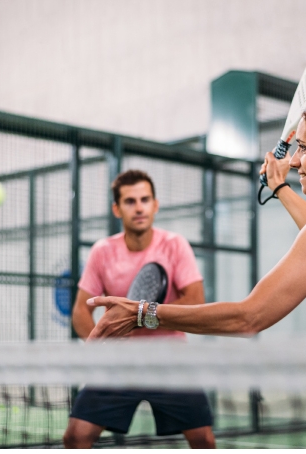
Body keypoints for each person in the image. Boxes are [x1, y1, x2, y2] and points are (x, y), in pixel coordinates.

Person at [86, 90, 306, 449]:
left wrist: (142, 313)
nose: (296, 161)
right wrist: (280, 187)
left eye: (304, 148)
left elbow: (248, 317)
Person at [63, 169, 216, 449]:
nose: (139, 207)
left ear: (155, 205)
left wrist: (136, 317)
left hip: (171, 361)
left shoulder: (174, 245)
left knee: (203, 440)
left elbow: (195, 301)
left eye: (145, 199)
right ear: (117, 208)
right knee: (75, 437)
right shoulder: (102, 251)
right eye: (130, 201)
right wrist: (100, 348)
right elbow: (80, 312)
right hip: (120, 365)